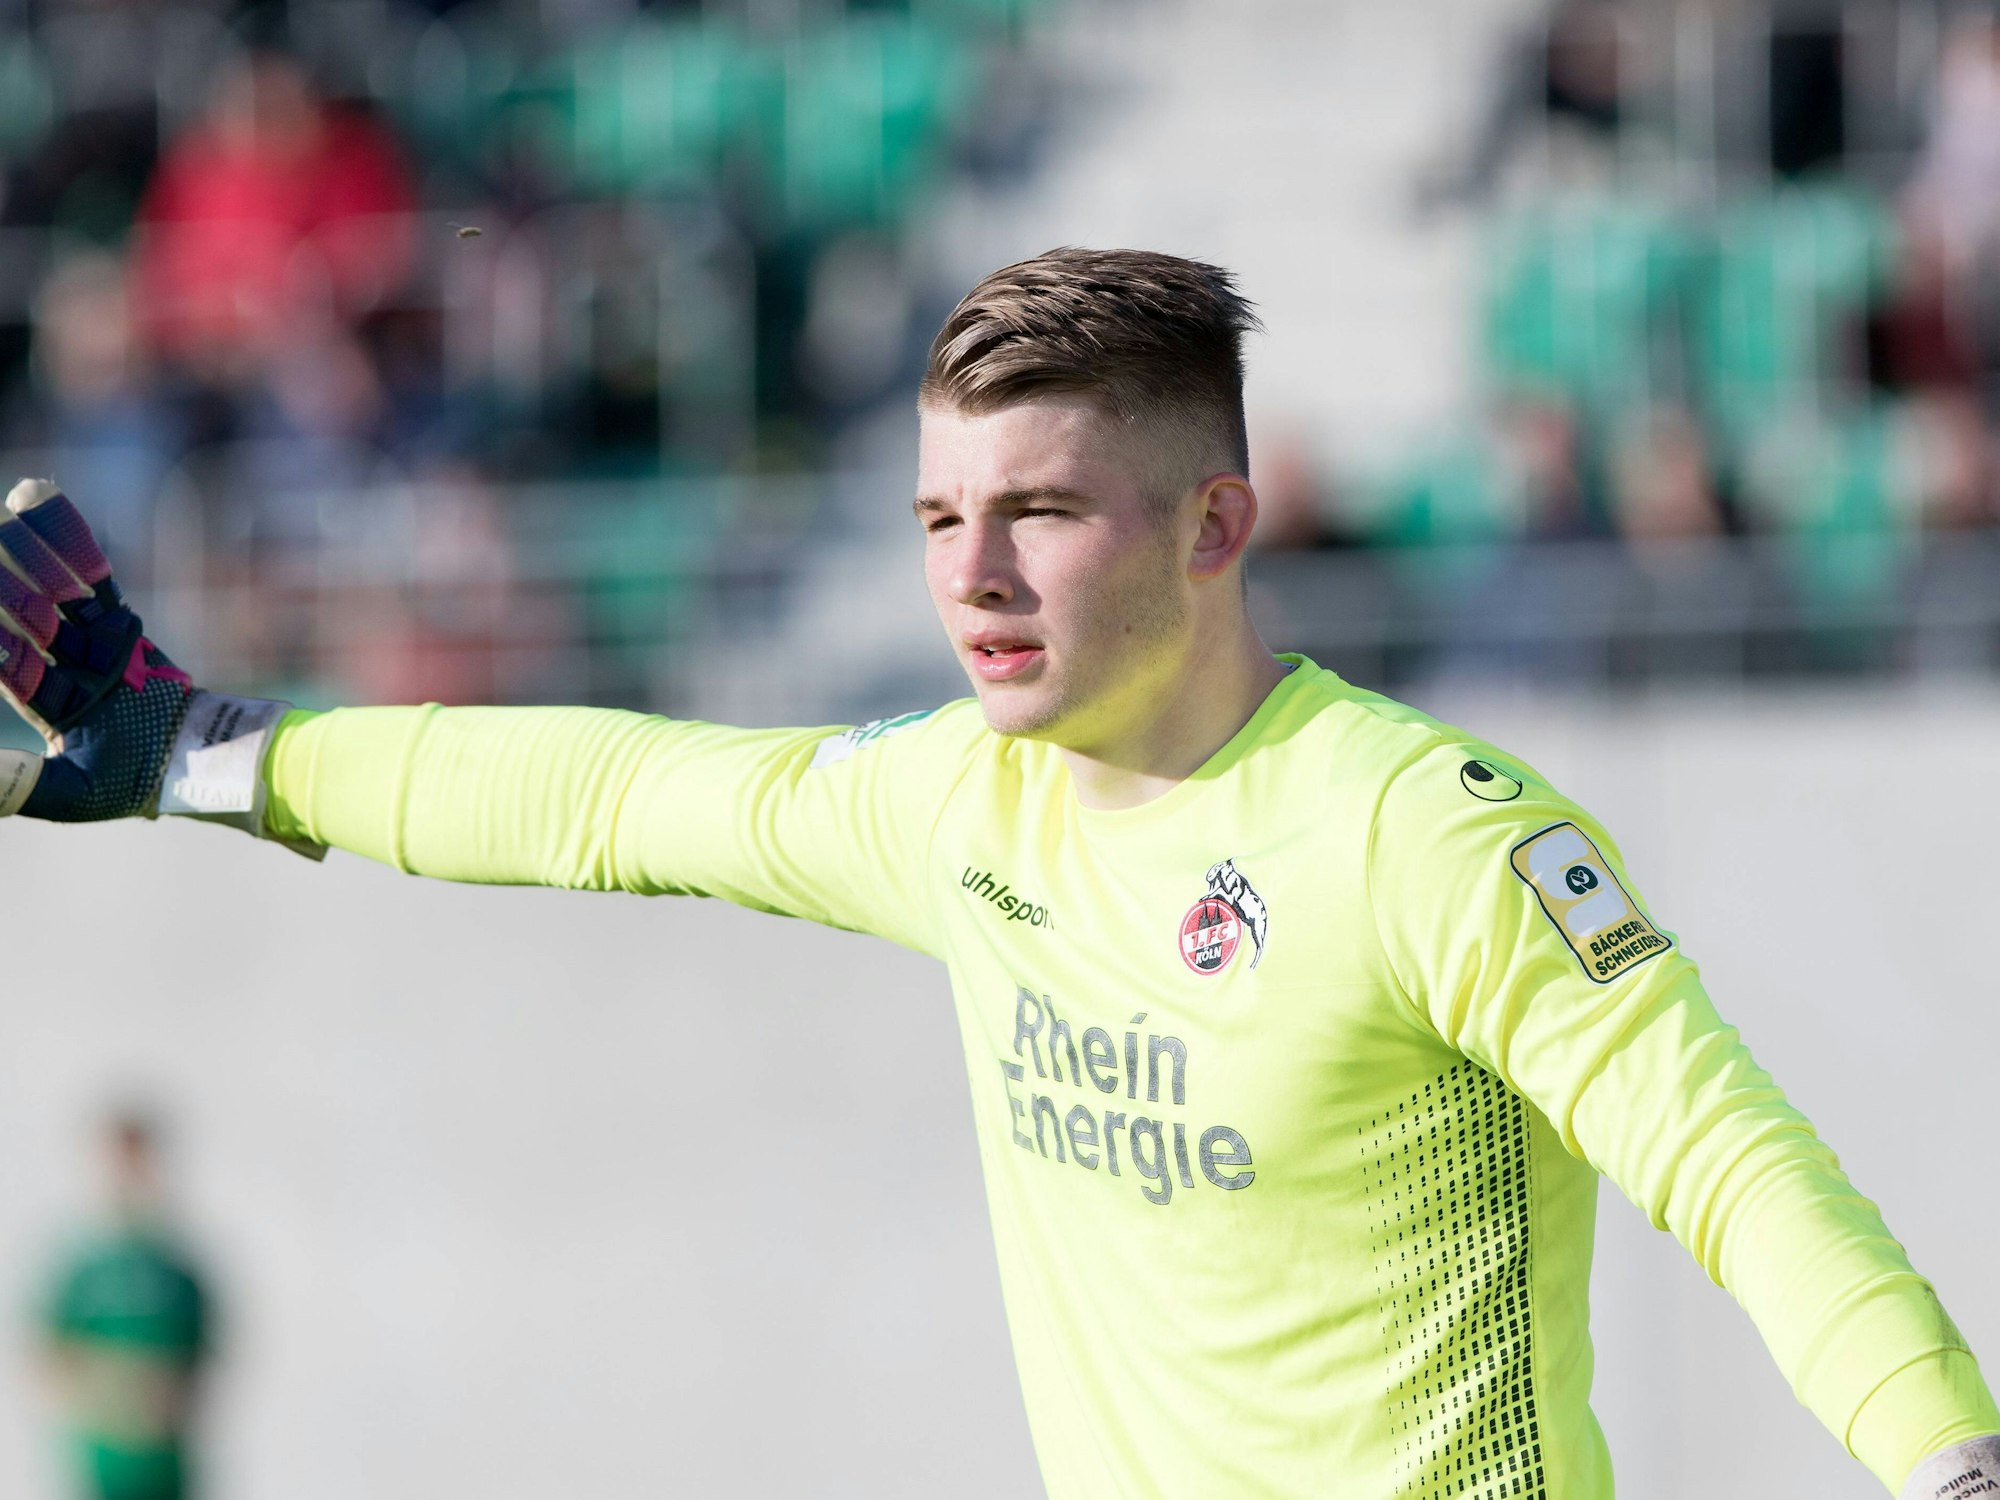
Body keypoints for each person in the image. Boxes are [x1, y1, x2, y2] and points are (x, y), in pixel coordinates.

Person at [0, 247, 1993, 1499]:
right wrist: (203, 752)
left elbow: (1740, 1173)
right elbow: (607, 795)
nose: (972, 574)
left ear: (1215, 524)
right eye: (940, 514)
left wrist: (1944, 1458)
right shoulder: (963, 803)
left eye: (1040, 510)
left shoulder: (1430, 833)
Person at [39, 1109, 213, 1500]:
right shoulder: (84, 1271)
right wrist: (107, 1390)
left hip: (165, 1469)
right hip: (103, 1466)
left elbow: (204, 1361)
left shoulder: (178, 1273)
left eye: (141, 1164)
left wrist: (166, 1394)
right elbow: (50, 1357)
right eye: (121, 1165)